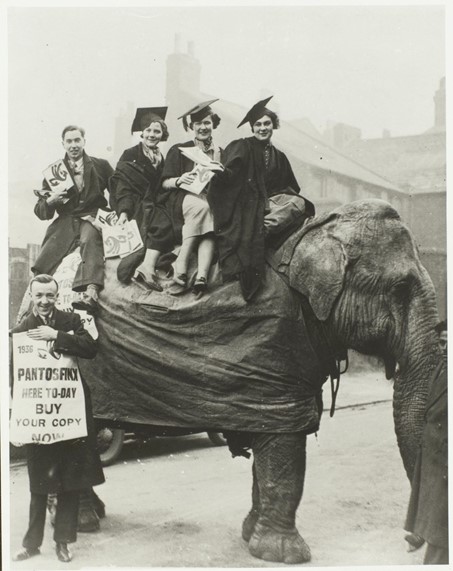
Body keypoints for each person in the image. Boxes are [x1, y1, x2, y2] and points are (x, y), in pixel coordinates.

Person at [11, 274, 105, 563]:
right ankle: (32, 543)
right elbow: (16, 372)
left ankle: (63, 542)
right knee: (39, 483)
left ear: (56, 296)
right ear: (31, 295)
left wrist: (57, 337)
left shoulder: (71, 322)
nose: (44, 301)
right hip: (40, 417)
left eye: (49, 295)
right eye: (38, 295)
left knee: (70, 481)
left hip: (70, 415)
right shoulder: (22, 329)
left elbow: (91, 348)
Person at [208, 96, 315, 301]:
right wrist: (221, 172)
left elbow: (291, 188)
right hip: (246, 202)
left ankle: (263, 228)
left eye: (267, 123)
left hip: (272, 205)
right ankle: (260, 229)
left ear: (273, 125)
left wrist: (277, 199)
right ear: (252, 127)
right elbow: (229, 175)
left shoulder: (279, 156)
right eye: (258, 124)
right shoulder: (241, 146)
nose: (262, 128)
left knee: (299, 202)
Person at [32, 125, 114, 312]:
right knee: (48, 253)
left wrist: (115, 215)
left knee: (90, 240)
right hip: (66, 219)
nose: (73, 145)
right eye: (69, 141)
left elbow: (117, 192)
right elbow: (41, 212)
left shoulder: (101, 165)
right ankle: (38, 300)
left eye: (77, 140)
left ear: (84, 141)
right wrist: (51, 201)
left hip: (92, 215)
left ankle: (91, 291)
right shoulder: (54, 172)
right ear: (63, 144)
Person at [160, 99, 224, 295]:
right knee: (203, 209)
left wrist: (223, 172)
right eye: (198, 124)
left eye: (207, 122)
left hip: (210, 199)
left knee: (214, 212)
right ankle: (181, 264)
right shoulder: (180, 149)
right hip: (182, 198)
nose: (203, 127)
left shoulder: (220, 153)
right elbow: (164, 183)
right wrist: (180, 179)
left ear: (213, 124)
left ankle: (201, 276)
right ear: (191, 126)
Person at [109, 107, 170, 290]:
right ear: (142, 133)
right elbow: (123, 186)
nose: (152, 134)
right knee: (150, 228)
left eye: (157, 131)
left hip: (154, 201)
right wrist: (124, 212)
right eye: (148, 130)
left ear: (162, 134)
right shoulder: (130, 154)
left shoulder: (161, 157)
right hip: (135, 203)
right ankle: (135, 269)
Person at [405, 320, 448, 565]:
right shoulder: (441, 367)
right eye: (441, 343)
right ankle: (422, 532)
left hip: (445, 460)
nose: (444, 348)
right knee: (435, 515)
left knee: (441, 532)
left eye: (448, 343)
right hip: (433, 453)